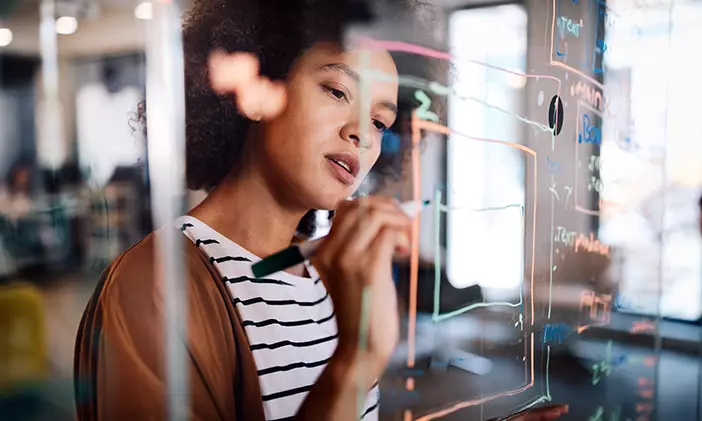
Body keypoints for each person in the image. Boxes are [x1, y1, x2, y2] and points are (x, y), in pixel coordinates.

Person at [74, 1, 568, 420]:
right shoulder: (153, 286)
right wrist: (355, 361)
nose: (361, 134)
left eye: (380, 121)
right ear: (259, 89)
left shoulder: (327, 271)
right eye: (336, 91)